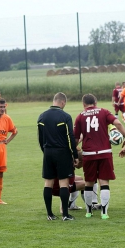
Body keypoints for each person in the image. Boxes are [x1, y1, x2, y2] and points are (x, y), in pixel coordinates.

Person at [74, 94, 125, 220]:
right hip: (104, 152)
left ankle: (88, 211)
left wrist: (72, 153)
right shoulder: (104, 111)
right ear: (96, 102)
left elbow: (76, 139)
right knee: (104, 182)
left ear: (83, 104)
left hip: (88, 153)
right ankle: (104, 212)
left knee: (88, 182)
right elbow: (118, 124)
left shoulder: (80, 116)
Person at [37, 92, 79, 221]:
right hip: (62, 152)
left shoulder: (42, 116)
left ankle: (49, 214)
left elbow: (40, 138)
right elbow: (70, 137)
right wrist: (75, 154)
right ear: (62, 102)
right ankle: (65, 215)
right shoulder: (65, 116)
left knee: (48, 182)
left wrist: (45, 152)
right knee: (63, 183)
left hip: (48, 152)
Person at [0, 98, 18, 205]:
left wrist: (7, 141)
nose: (2, 109)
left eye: (3, 107)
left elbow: (15, 131)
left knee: (0, 174)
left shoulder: (7, 118)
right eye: (0, 107)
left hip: (1, 149)